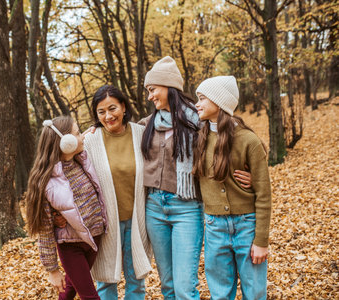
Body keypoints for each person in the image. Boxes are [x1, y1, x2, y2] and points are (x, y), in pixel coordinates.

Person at [193, 76, 271, 300]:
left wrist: (261, 241)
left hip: (247, 225)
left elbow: (264, 195)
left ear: (219, 101)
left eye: (202, 98)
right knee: (220, 294)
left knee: (255, 293)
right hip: (214, 227)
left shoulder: (248, 140)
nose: (197, 104)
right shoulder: (200, 138)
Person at [140, 56, 204, 300]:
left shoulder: (198, 122)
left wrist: (249, 173)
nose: (150, 96)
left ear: (168, 87)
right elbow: (116, 134)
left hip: (187, 208)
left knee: (184, 289)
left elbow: (231, 142)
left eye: (152, 89)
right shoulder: (147, 124)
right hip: (154, 208)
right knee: (167, 286)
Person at [25, 116, 108, 300]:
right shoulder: (47, 182)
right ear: (66, 142)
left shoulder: (81, 161)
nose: (82, 137)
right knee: (90, 296)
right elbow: (44, 230)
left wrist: (85, 135)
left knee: (70, 288)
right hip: (71, 246)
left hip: (93, 240)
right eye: (77, 133)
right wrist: (52, 269)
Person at [84, 85, 153, 300]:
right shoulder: (90, 141)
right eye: (101, 112)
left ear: (123, 107)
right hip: (105, 223)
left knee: (136, 282)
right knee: (105, 282)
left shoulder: (142, 134)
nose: (108, 116)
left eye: (112, 109)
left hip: (136, 219)